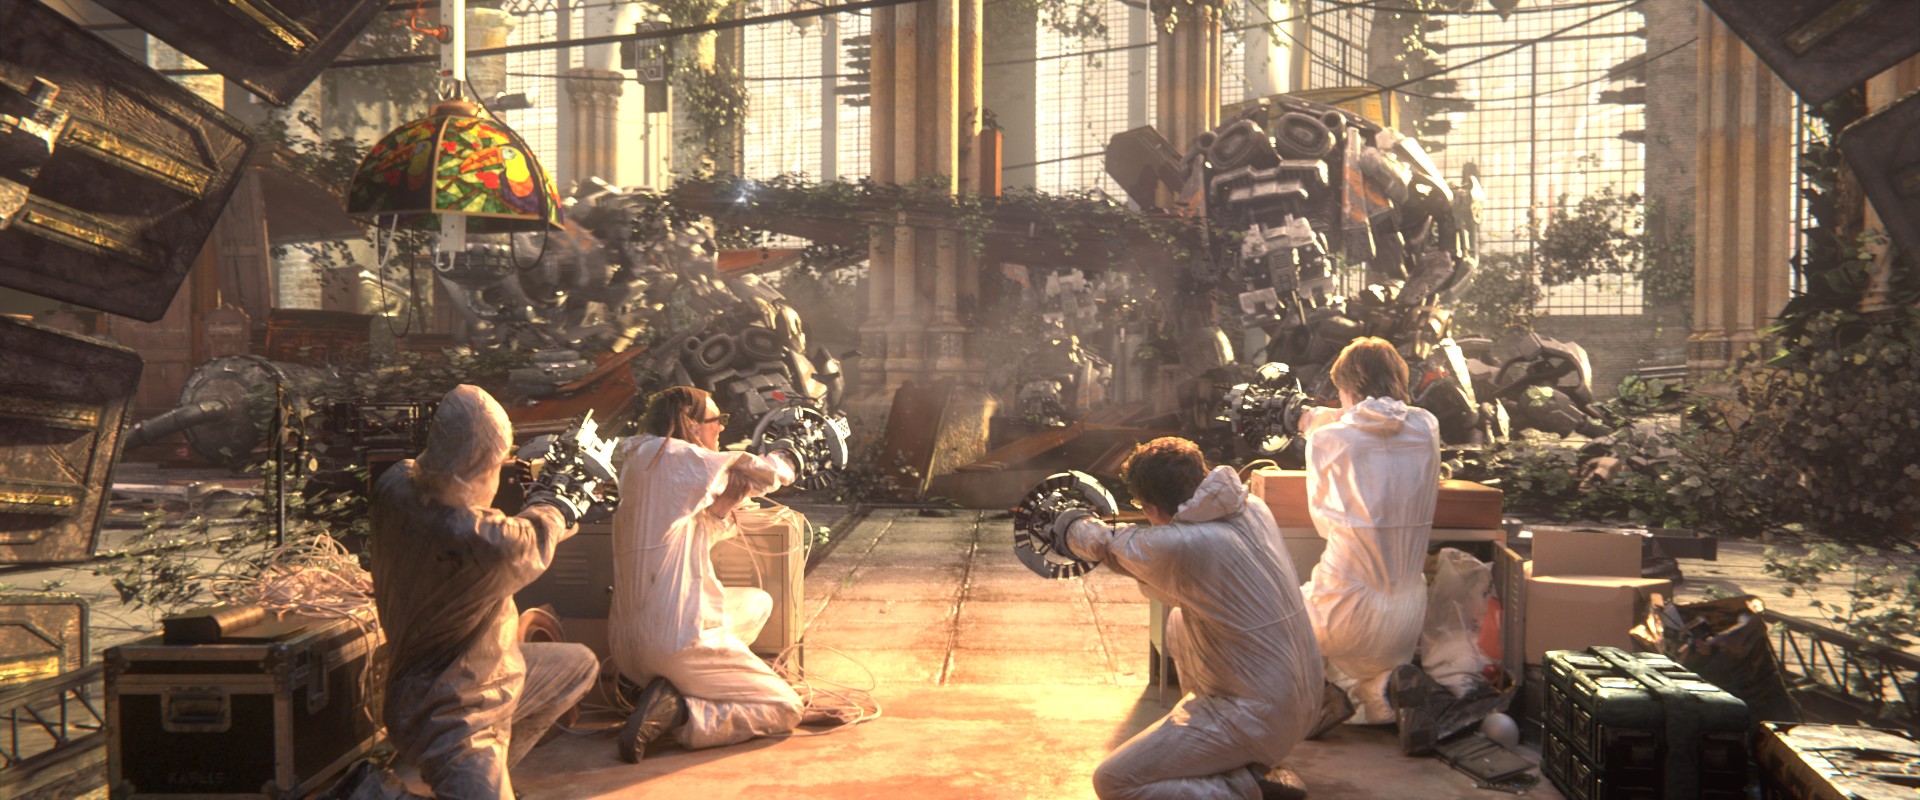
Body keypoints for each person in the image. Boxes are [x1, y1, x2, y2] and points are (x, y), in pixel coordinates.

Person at [368, 385, 599, 800]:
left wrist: (549, 506)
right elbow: (529, 537)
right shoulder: (478, 540)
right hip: (450, 712)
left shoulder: (395, 484)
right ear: (482, 463)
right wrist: (557, 501)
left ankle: (493, 779)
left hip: (485, 675)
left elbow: (520, 533)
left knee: (577, 664)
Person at [1059, 437, 1322, 800]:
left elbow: (1111, 546)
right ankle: (1223, 753)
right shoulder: (1254, 508)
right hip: (1306, 701)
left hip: (1259, 719)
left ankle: (1245, 787)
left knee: (1115, 780)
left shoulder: (1187, 545)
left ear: (1151, 506)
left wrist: (1067, 523)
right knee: (1178, 622)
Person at [608, 386, 801, 763]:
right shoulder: (675, 455)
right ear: (690, 423)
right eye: (716, 420)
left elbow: (687, 536)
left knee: (756, 602)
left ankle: (661, 688)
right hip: (677, 638)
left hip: (627, 647)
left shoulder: (642, 460)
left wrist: (722, 508)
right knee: (785, 707)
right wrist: (790, 456)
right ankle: (680, 711)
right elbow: (760, 473)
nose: (721, 429)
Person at [1296, 337, 1442, 725]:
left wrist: (1313, 424)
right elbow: (1380, 422)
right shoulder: (1427, 426)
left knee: (1278, 622)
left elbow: (1322, 521)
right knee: (1366, 669)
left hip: (1345, 609)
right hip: (1406, 617)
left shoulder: (1328, 439)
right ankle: (1382, 692)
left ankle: (1319, 697)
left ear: (1347, 388)